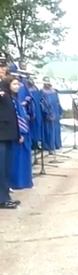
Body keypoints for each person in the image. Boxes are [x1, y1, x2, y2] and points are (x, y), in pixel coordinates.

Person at [0, 60, 21, 209]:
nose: (2, 70)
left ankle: (5, 195)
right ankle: (2, 199)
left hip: (7, 135)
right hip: (1, 135)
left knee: (5, 167)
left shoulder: (6, 92)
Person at [5, 76, 32, 190]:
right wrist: (19, 132)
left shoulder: (16, 99)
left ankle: (25, 181)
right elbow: (13, 117)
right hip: (16, 132)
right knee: (16, 160)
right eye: (14, 84)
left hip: (24, 131)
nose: (17, 86)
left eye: (18, 84)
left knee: (24, 158)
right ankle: (15, 183)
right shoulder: (9, 100)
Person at [41, 77, 63, 152]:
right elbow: (42, 103)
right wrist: (47, 113)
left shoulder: (54, 91)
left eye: (48, 83)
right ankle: (49, 146)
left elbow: (58, 102)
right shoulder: (42, 91)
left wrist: (60, 111)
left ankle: (57, 144)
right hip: (48, 112)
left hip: (56, 111)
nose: (47, 84)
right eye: (46, 83)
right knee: (48, 130)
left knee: (56, 129)